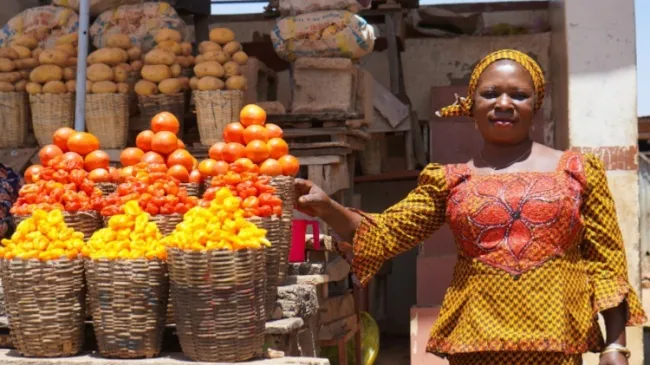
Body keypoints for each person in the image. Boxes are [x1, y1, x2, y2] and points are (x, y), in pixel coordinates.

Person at [294, 49, 646, 365]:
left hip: (557, 342)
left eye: (519, 95)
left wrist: (615, 347)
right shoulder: (451, 181)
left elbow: (606, 264)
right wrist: (327, 208)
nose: (504, 103)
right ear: (471, 104)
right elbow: (388, 233)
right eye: (490, 94)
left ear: (535, 104)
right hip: (476, 342)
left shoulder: (578, 171)